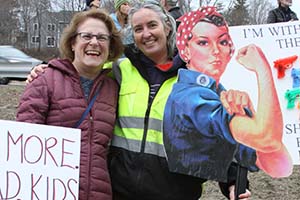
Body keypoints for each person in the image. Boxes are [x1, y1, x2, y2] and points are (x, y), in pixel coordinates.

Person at [26, 2, 251, 200]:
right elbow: (81, 65)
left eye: (152, 25)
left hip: (176, 194)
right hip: (120, 193)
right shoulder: (119, 69)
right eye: (138, 29)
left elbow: (226, 134)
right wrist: (44, 68)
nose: (146, 34)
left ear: (168, 27)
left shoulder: (199, 80)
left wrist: (233, 183)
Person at [163, 6, 293, 183]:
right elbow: (267, 139)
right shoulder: (190, 97)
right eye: (203, 42)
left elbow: (280, 166)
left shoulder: (219, 94)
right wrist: (263, 69)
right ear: (185, 51)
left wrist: (251, 113)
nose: (216, 51)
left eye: (222, 42)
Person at [17, 9, 123, 200]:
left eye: (102, 37)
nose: (94, 42)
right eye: (87, 36)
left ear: (110, 46)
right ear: (73, 42)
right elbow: (25, 149)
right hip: (52, 192)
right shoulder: (45, 79)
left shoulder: (114, 87)